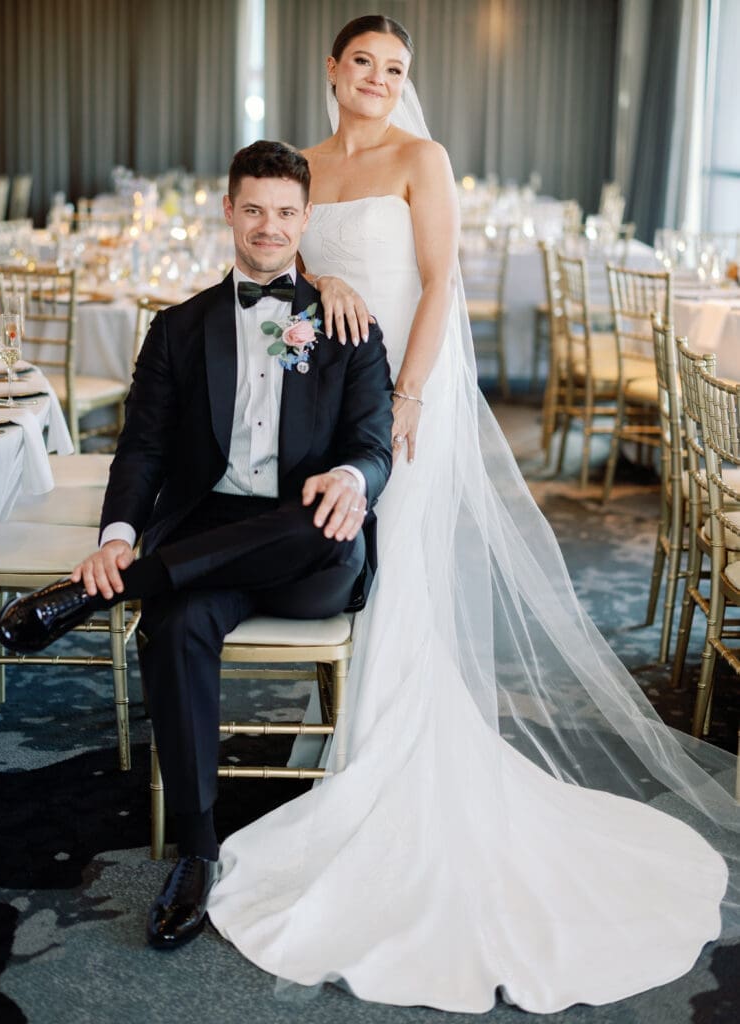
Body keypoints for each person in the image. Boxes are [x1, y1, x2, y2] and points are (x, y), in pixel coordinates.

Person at [206, 15, 740, 1014]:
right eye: (362, 62)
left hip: (411, 394)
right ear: (332, 69)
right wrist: (318, 277)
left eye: (394, 68)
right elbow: (290, 278)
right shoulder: (308, 164)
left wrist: (408, 399)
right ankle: (356, 731)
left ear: (405, 80)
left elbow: (442, 280)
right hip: (334, 401)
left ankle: (387, 763)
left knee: (401, 566)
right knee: (347, 563)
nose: (377, 78)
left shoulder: (424, 156)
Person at [0, 140, 394, 948]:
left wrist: (353, 478)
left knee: (312, 518)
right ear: (227, 211)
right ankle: (197, 852)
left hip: (310, 541)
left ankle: (115, 588)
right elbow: (141, 447)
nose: (268, 227)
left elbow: (373, 441)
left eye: (285, 212)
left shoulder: (346, 323)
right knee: (176, 628)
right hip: (210, 532)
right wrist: (115, 534)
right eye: (253, 209)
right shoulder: (179, 328)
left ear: (306, 219)